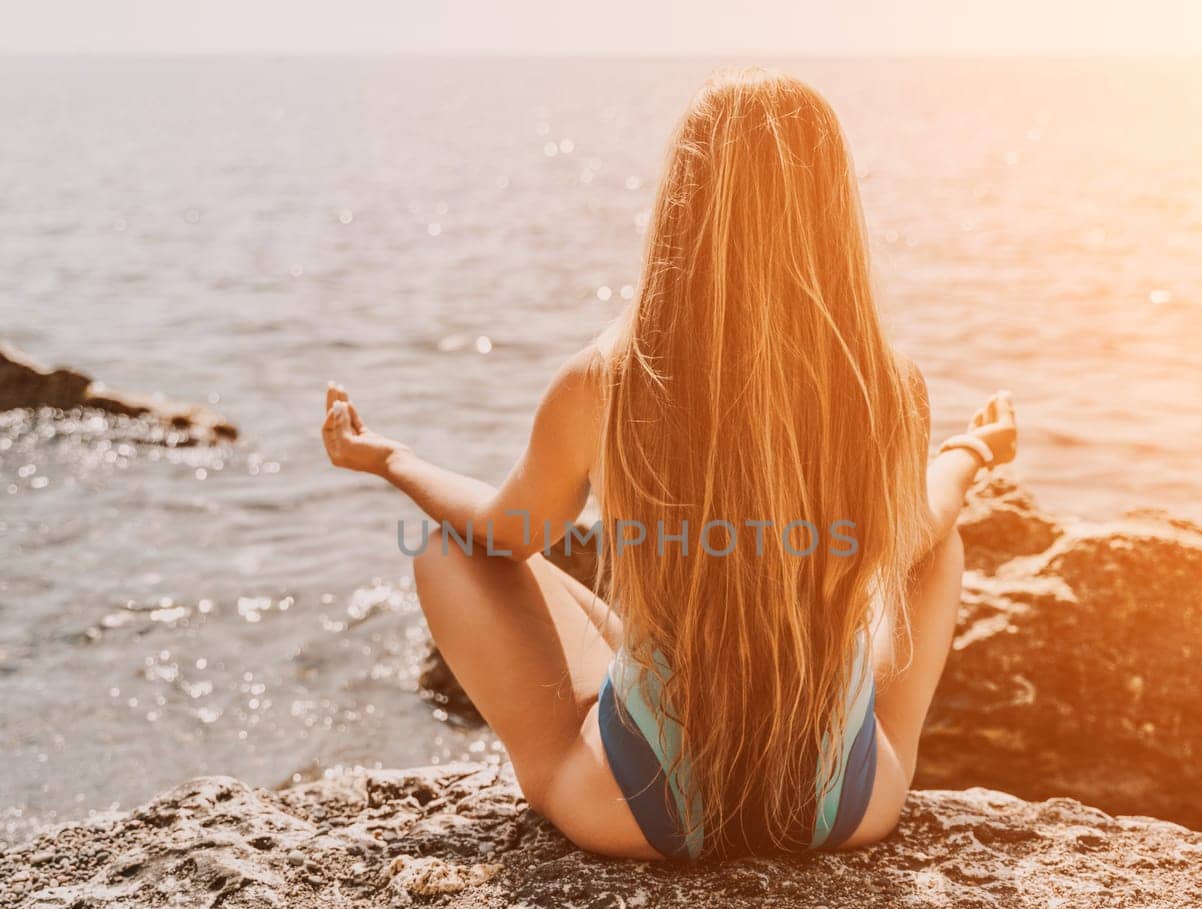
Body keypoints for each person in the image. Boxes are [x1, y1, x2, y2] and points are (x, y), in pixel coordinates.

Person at [321, 67, 1017, 860]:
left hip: (645, 814)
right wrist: (972, 449)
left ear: (683, 204)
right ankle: (839, 753)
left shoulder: (605, 383)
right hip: (845, 807)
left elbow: (501, 532)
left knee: (447, 545)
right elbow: (919, 524)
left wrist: (391, 459)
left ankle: (564, 765)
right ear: (834, 210)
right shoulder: (888, 386)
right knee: (939, 545)